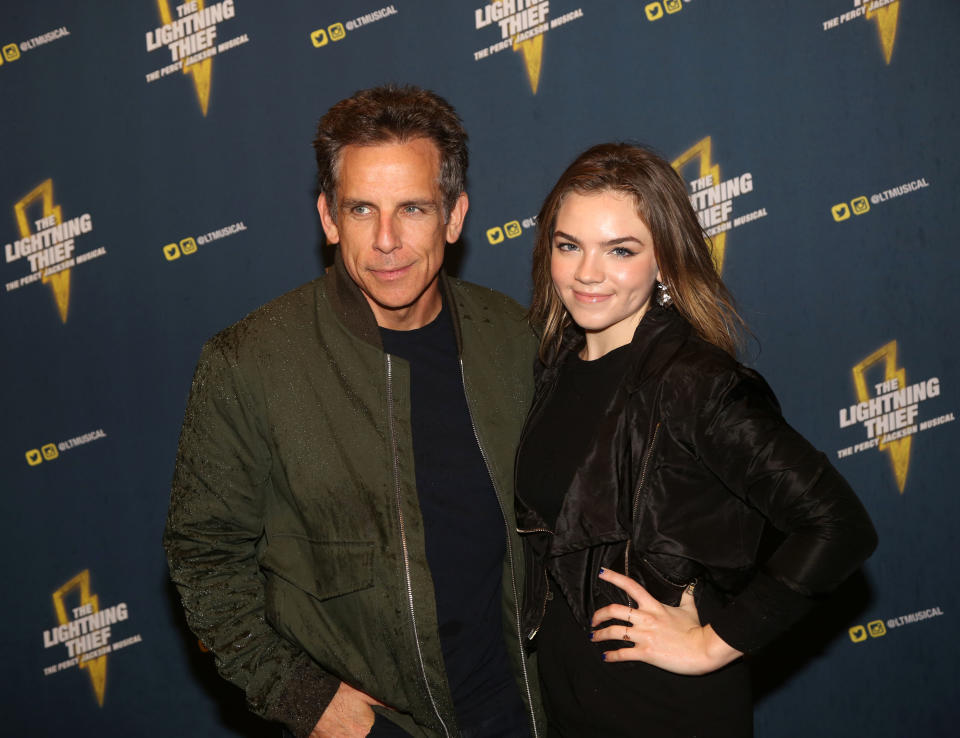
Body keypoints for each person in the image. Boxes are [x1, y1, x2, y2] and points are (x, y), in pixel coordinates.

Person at [164, 85, 543, 738]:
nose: (387, 241)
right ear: (329, 218)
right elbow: (203, 557)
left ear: (454, 217)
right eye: (362, 209)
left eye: (414, 209)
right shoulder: (249, 362)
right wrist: (309, 702)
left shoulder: (514, 338)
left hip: (524, 713)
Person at [515, 143, 877, 737]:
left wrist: (715, 643)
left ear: (664, 261)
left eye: (621, 250)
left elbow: (838, 526)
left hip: (665, 710)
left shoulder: (696, 383)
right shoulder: (555, 367)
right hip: (569, 705)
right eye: (568, 245)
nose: (586, 273)